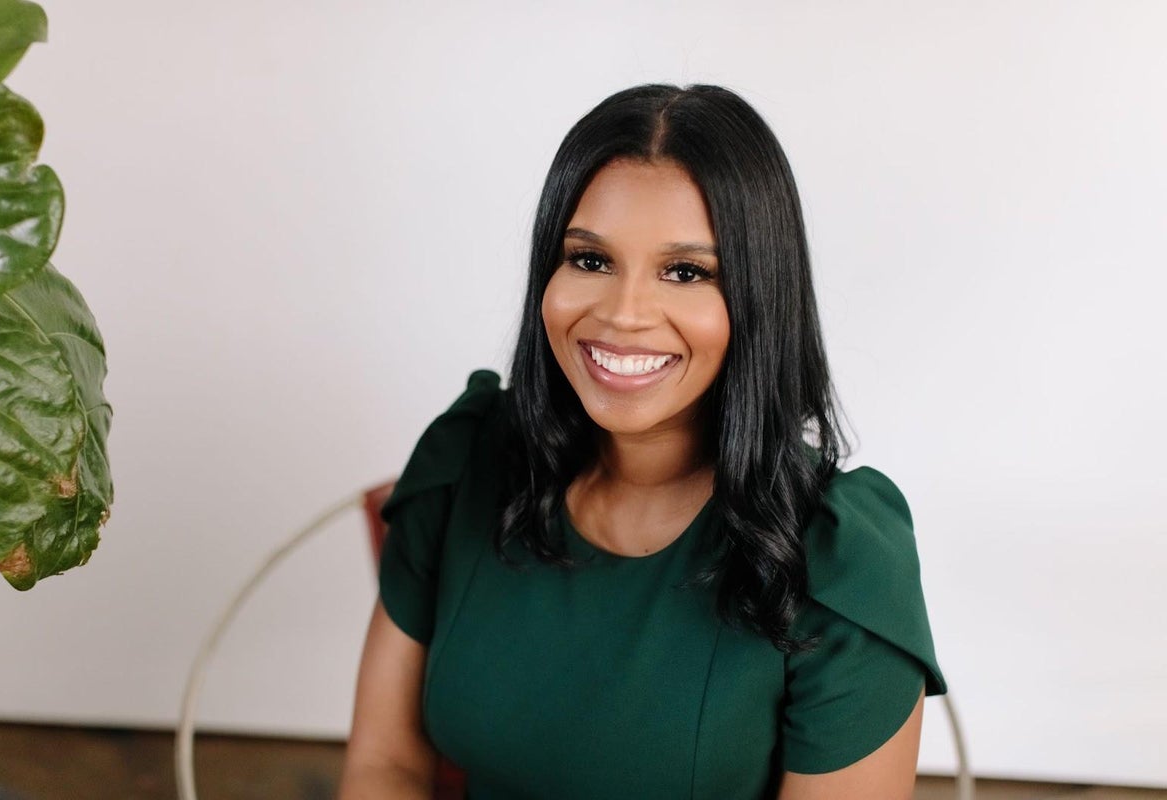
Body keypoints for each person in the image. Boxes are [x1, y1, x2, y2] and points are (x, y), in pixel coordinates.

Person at [338, 83, 946, 800]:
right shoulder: (468, 459)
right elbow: (385, 766)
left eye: (686, 272)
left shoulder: (842, 561)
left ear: (759, 295)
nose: (623, 315)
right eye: (590, 260)